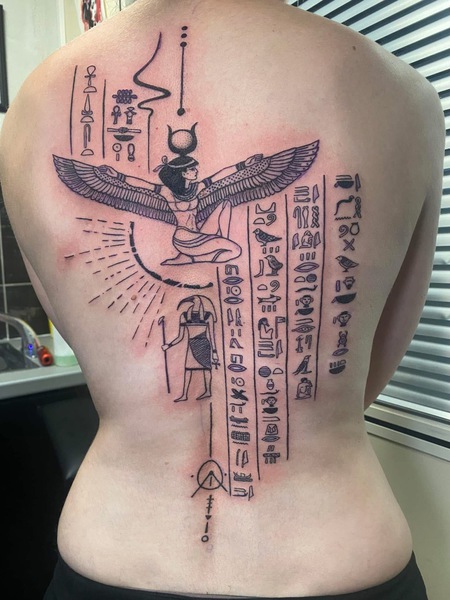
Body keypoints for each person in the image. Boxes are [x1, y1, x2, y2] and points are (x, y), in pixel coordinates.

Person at [0, 0, 444, 598]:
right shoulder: (398, 93)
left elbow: (79, 334)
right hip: (330, 550)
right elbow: (365, 370)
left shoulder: (30, 107)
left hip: (115, 547)